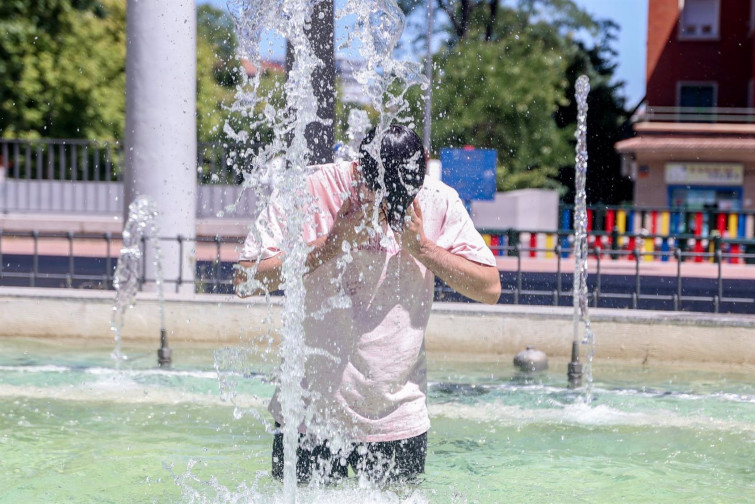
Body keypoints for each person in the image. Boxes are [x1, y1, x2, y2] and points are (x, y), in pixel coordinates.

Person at [235, 124, 501, 485]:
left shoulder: (438, 199)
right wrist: (330, 246)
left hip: (397, 420)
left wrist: (422, 248)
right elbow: (244, 280)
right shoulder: (309, 189)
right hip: (307, 418)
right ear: (360, 168)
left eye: (402, 197)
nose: (389, 206)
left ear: (422, 169)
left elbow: (489, 288)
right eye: (378, 193)